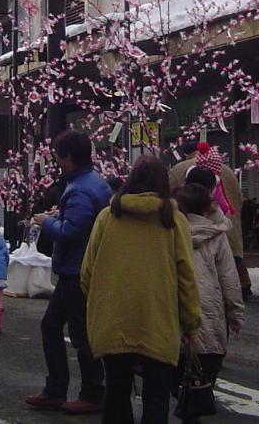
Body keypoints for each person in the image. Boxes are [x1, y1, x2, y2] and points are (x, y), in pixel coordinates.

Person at [81, 155, 200, 424]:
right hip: (158, 321)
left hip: (113, 320)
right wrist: (190, 324)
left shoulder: (108, 217)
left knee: (115, 392)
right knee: (156, 399)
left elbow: (87, 272)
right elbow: (186, 278)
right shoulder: (174, 220)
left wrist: (102, 301)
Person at [24, 130, 113, 415]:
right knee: (52, 327)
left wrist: (45, 222)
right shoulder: (93, 183)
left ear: (69, 157)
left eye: (58, 156)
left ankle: (91, 392)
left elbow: (73, 232)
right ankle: (56, 388)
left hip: (77, 271)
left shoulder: (80, 189)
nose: (56, 161)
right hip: (79, 268)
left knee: (80, 335)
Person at [173, 182, 243, 422]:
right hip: (209, 320)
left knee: (174, 374)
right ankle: (191, 413)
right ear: (207, 210)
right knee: (203, 376)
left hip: (176, 320)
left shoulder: (168, 233)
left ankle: (182, 404)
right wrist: (235, 314)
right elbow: (229, 279)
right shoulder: (217, 237)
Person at [170, 141, 250, 299]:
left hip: (191, 223)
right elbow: (239, 198)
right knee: (229, 260)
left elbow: (170, 195)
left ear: (187, 155)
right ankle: (244, 287)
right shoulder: (227, 170)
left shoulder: (180, 169)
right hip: (226, 222)